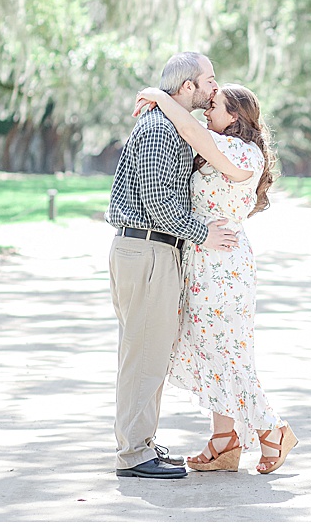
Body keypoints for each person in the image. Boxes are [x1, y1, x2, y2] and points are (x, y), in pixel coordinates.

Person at [133, 83, 298, 474]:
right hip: (202, 257)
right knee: (209, 348)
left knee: (226, 351)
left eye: (215, 107)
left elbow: (191, 132)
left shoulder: (243, 152)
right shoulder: (218, 150)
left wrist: (160, 95)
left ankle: (272, 430)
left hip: (223, 265)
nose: (207, 112)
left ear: (236, 115)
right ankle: (224, 441)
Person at [106, 52, 239, 480]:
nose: (215, 87)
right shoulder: (161, 131)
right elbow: (159, 205)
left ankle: (140, 442)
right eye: (209, 80)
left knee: (149, 351)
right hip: (147, 249)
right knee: (143, 354)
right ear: (187, 88)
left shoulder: (171, 124)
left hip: (153, 251)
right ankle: (132, 453)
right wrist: (205, 233)